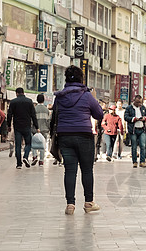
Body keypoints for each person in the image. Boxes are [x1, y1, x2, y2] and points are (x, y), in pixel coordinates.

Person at [52, 65, 104, 215]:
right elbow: (99, 114)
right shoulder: (87, 96)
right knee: (87, 169)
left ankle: (70, 204)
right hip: (84, 135)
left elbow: (55, 113)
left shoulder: (60, 97)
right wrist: (93, 98)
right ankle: (88, 202)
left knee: (70, 170)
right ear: (82, 79)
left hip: (64, 136)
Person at [7, 87, 40, 169]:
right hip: (27, 126)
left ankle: (19, 164)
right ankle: (25, 156)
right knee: (28, 143)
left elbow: (9, 115)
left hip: (17, 126)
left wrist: (8, 126)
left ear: (16, 93)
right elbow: (33, 115)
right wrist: (37, 127)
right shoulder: (29, 101)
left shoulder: (13, 102)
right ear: (23, 92)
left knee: (18, 145)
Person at [124, 95, 146, 168]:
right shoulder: (129, 108)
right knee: (134, 146)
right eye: (138, 102)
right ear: (134, 101)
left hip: (142, 129)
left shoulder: (143, 108)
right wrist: (133, 119)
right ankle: (134, 161)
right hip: (133, 130)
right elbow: (126, 117)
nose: (139, 104)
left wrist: (144, 118)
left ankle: (142, 161)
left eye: (140, 102)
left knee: (143, 145)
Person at [31, 94, 50, 166]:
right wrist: (49, 129)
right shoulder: (46, 110)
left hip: (35, 129)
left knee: (33, 143)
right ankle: (41, 160)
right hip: (44, 130)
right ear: (43, 100)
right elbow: (48, 121)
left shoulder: (34, 109)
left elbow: (32, 120)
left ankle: (35, 155)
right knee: (43, 145)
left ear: (37, 100)